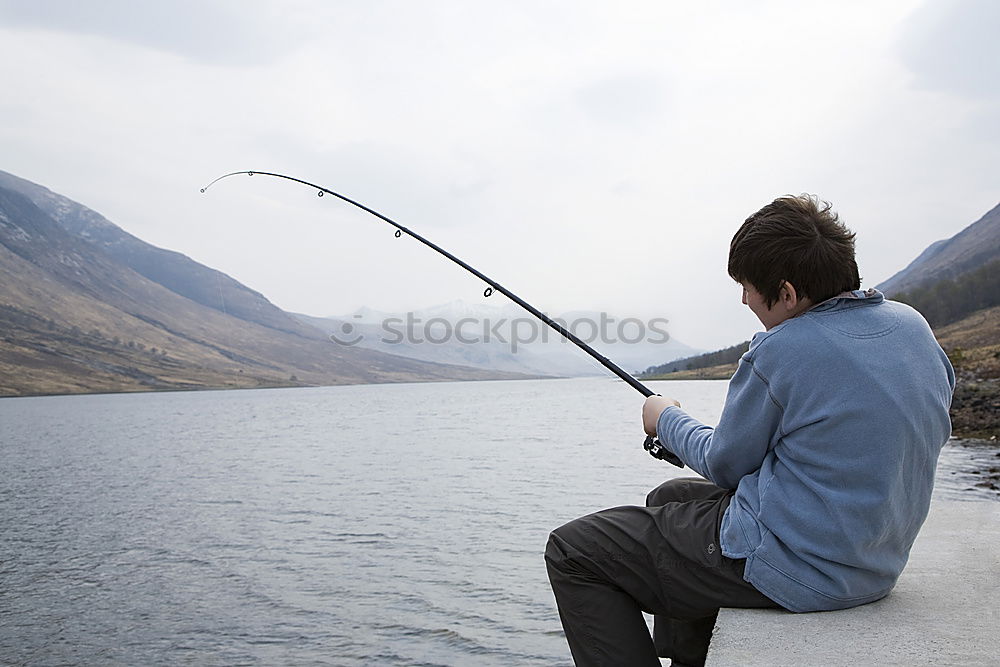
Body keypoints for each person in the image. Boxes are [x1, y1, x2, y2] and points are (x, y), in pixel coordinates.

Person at [545, 194, 955, 667]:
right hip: (873, 561)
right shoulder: (912, 326)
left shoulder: (782, 349)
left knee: (574, 550)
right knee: (669, 496)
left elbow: (725, 464)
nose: (743, 299)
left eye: (747, 287)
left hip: (804, 569)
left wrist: (665, 418)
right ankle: (689, 658)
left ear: (785, 292)